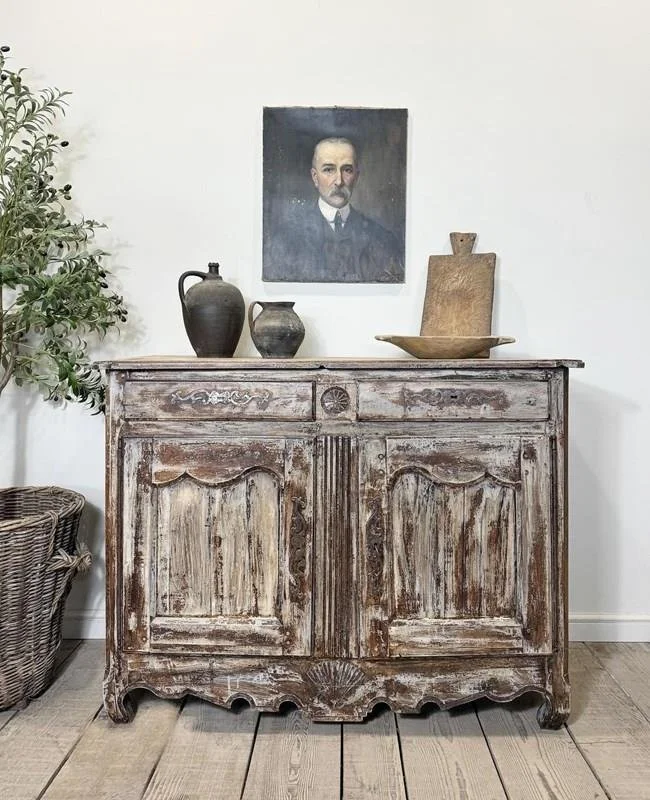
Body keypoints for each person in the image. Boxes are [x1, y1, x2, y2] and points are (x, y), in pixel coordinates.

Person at [263, 137, 404, 283]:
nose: (339, 181)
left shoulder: (382, 239)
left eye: (347, 170)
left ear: (356, 177)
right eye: (329, 169)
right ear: (315, 177)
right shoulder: (286, 237)